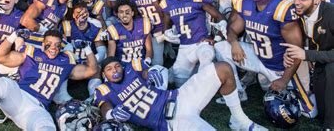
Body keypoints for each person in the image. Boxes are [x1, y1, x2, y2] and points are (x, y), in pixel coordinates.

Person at [214, 0, 316, 117]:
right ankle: (237, 91)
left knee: (309, 112)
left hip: (284, 65)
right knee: (222, 47)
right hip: (260, 58)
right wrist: (235, 42)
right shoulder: (246, 2)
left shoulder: (282, 8)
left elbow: (296, 49)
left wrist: (284, 79)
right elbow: (232, 29)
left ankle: (310, 85)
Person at [0, 29, 98, 130]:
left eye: (57, 45)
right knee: (1, 83)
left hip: (37, 109)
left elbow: (92, 70)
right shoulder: (32, 53)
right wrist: (13, 36)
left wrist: (87, 49)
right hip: (18, 97)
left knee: (48, 127)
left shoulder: (66, 61)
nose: (53, 48)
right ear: (43, 43)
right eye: (49, 44)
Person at [94, 57, 266, 130]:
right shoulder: (104, 90)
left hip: (179, 96)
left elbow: (146, 73)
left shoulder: (132, 68)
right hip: (170, 122)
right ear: (104, 75)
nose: (114, 70)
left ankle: (239, 119)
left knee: (223, 68)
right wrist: (111, 114)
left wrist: (152, 71)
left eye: (117, 66)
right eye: (109, 69)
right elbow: (105, 108)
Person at [160, 0, 226, 86]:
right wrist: (167, 34)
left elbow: (220, 17)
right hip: (184, 47)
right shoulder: (166, 3)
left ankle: (205, 87)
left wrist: (216, 38)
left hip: (201, 42)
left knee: (206, 56)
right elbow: (166, 26)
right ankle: (194, 73)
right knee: (178, 82)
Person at [284, 0, 334, 129]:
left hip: (329, 63)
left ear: (317, 0)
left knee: (331, 70)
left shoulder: (331, 14)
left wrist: (306, 55)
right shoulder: (298, 12)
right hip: (320, 61)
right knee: (321, 111)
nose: (296, 2)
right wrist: (291, 52)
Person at [107, 0, 153, 64]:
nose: (124, 15)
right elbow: (111, 57)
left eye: (127, 12)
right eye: (121, 12)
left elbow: (149, 50)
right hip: (123, 66)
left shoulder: (143, 24)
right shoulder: (113, 30)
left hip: (142, 63)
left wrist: (147, 61)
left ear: (132, 13)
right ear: (117, 14)